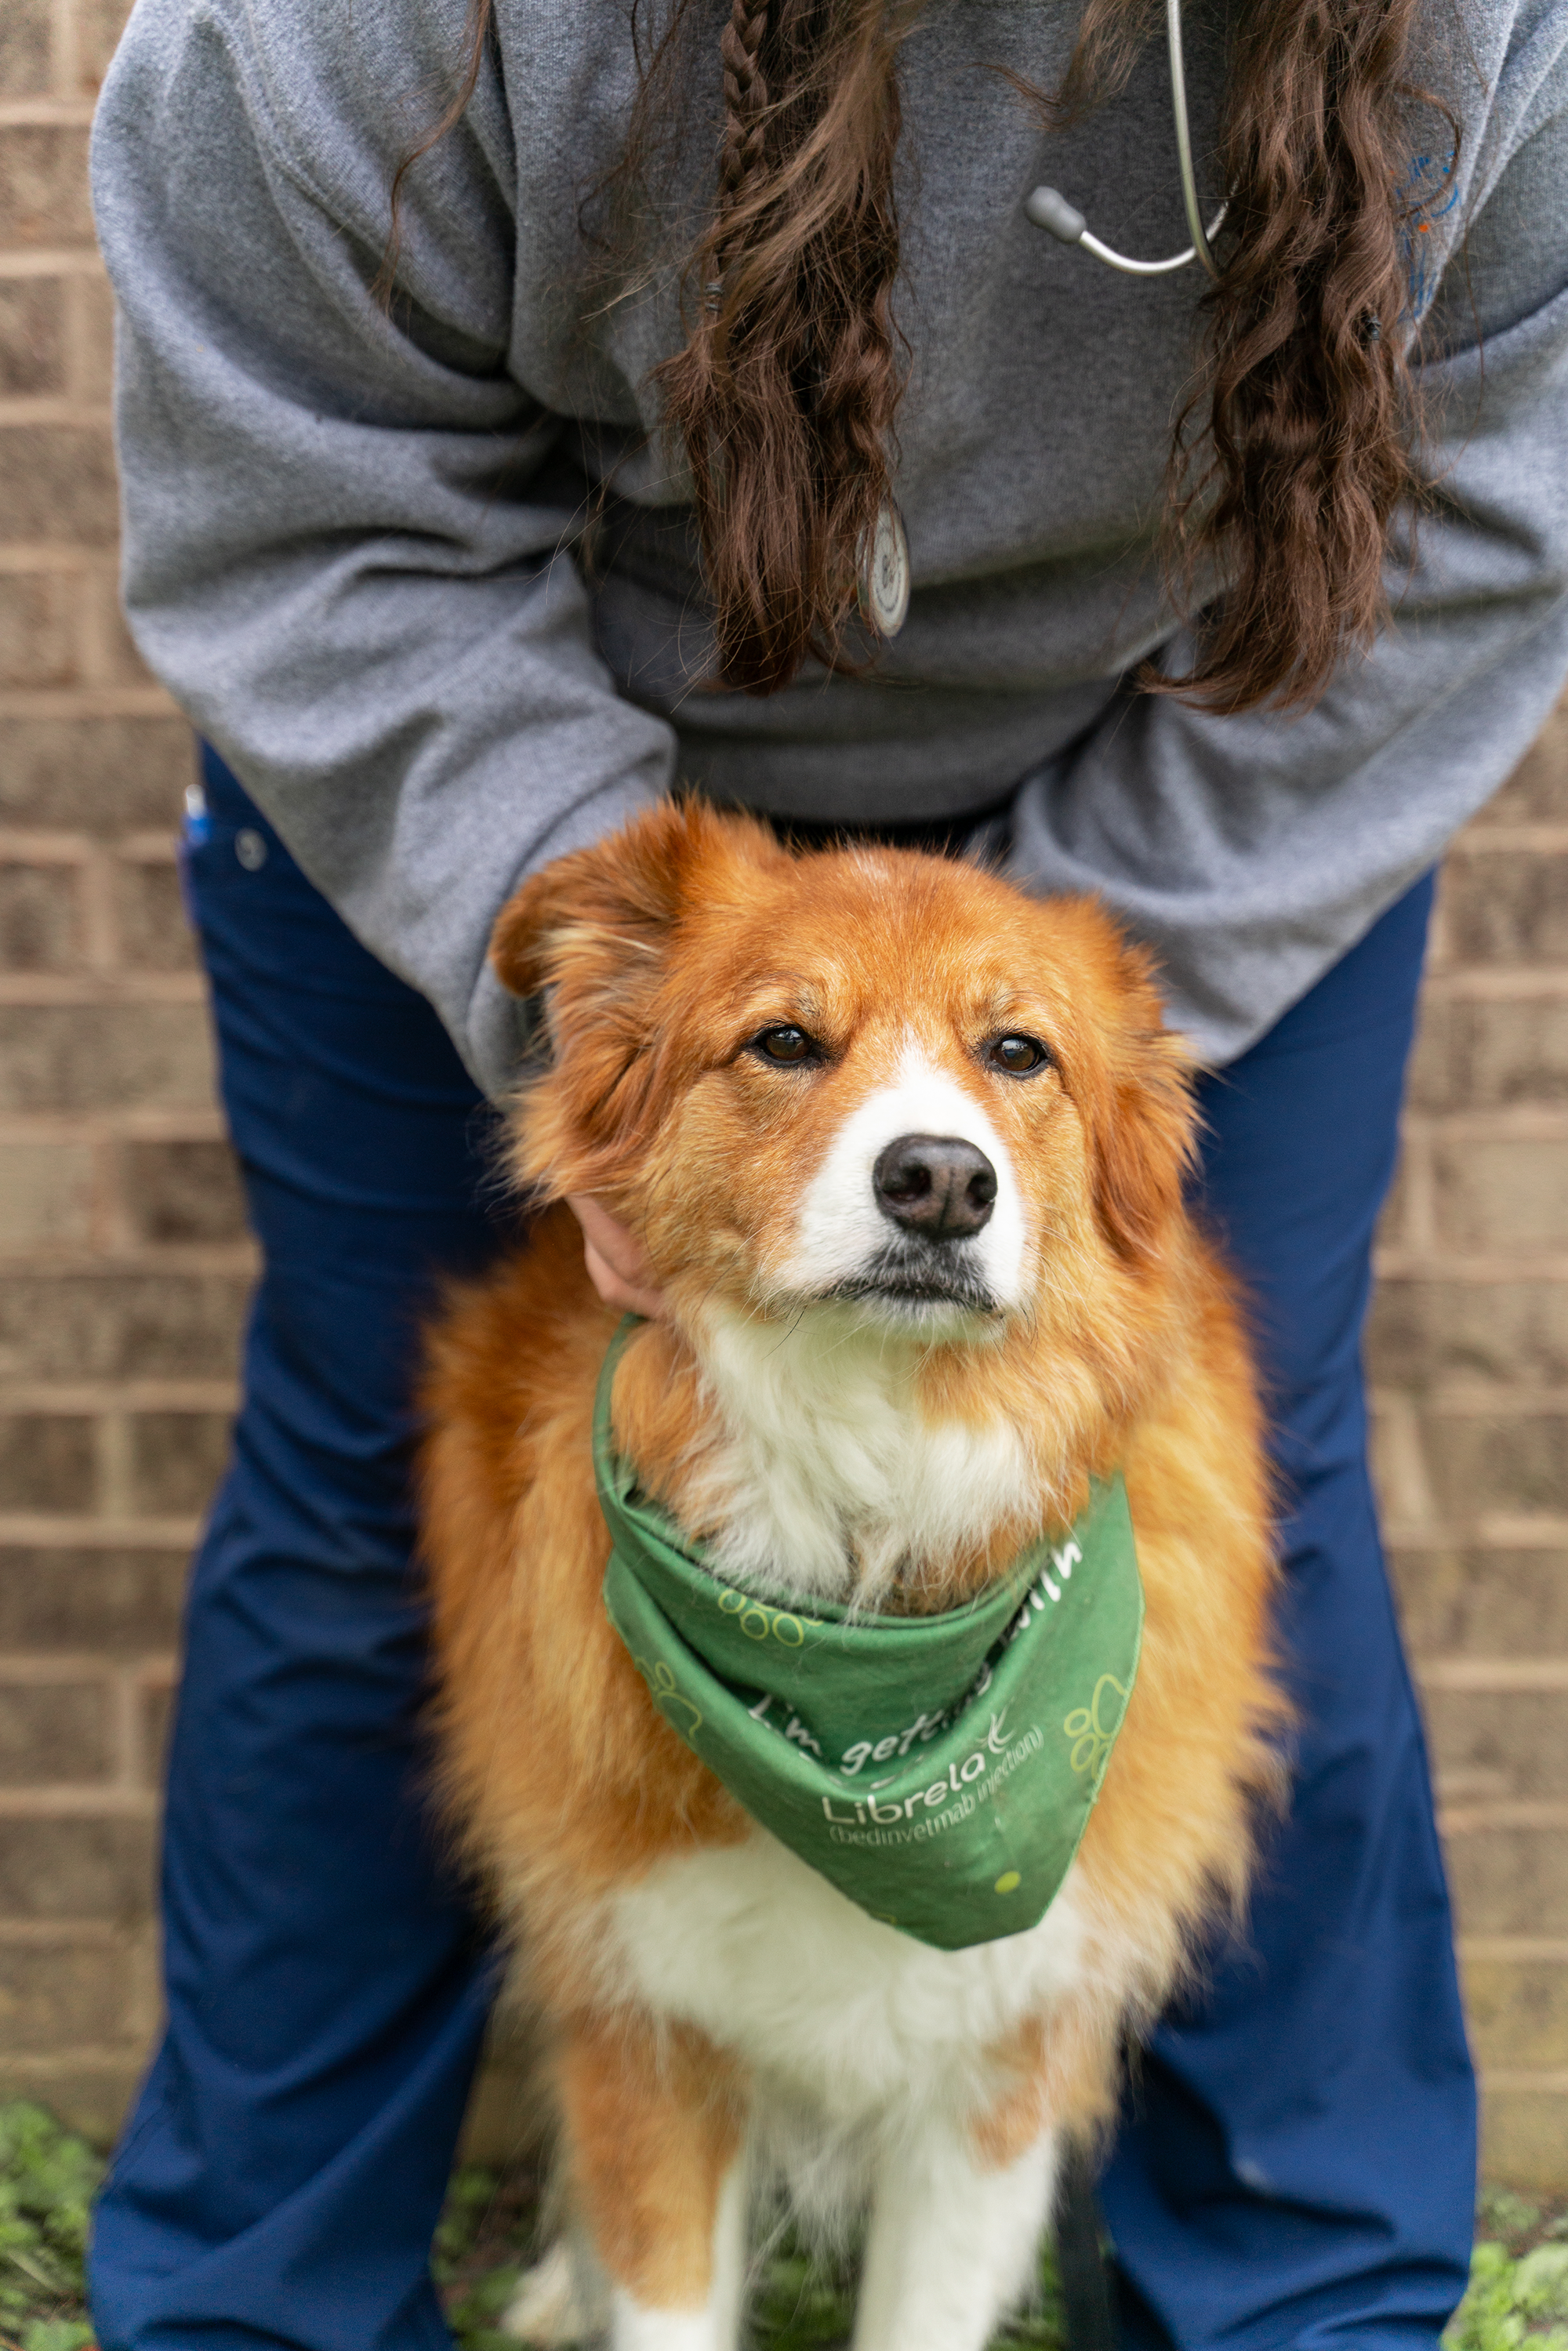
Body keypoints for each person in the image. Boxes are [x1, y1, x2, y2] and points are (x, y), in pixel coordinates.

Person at [86, 0, 1568, 2342]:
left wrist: (1055, 1013)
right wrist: (652, 1003)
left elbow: (1493, 490)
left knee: (1235, 1467)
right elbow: (304, 490)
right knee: (383, 1480)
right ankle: (254, 2298)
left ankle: (1307, 2290)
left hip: (1198, 755)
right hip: (487, 732)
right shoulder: (362, 33)